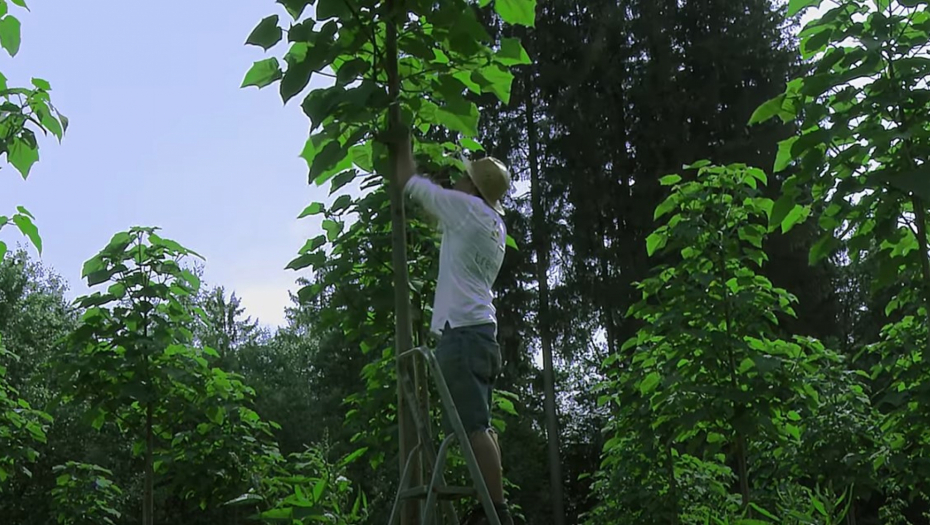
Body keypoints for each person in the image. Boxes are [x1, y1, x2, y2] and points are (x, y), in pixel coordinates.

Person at [395, 136, 514, 525]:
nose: (458, 182)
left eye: (465, 178)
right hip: (482, 333)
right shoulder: (494, 223)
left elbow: (411, 184)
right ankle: (491, 506)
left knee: (473, 428)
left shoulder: (465, 210)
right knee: (482, 424)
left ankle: (496, 513)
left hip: (461, 334)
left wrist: (402, 150)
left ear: (473, 190)